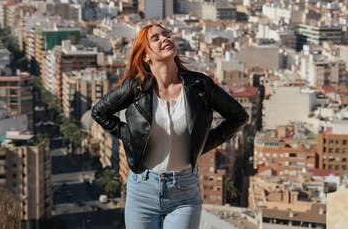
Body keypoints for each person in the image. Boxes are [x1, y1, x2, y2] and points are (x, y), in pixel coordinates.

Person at [91, 24, 250, 229]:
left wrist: (204, 145)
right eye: (155, 38)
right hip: (142, 189)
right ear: (146, 56)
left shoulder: (199, 85)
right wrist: (127, 135)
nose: (165, 39)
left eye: (166, 34)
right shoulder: (135, 87)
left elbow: (239, 116)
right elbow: (99, 112)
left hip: (184, 190)